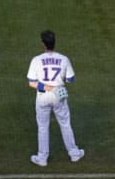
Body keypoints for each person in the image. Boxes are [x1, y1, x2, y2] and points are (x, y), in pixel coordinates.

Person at [26, 30, 84, 166]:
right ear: (54, 43)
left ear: (42, 44)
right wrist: (56, 85)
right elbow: (70, 79)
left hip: (42, 96)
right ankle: (74, 154)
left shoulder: (36, 60)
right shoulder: (64, 59)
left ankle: (42, 158)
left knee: (43, 127)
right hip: (60, 95)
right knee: (65, 124)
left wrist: (48, 88)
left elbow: (31, 83)